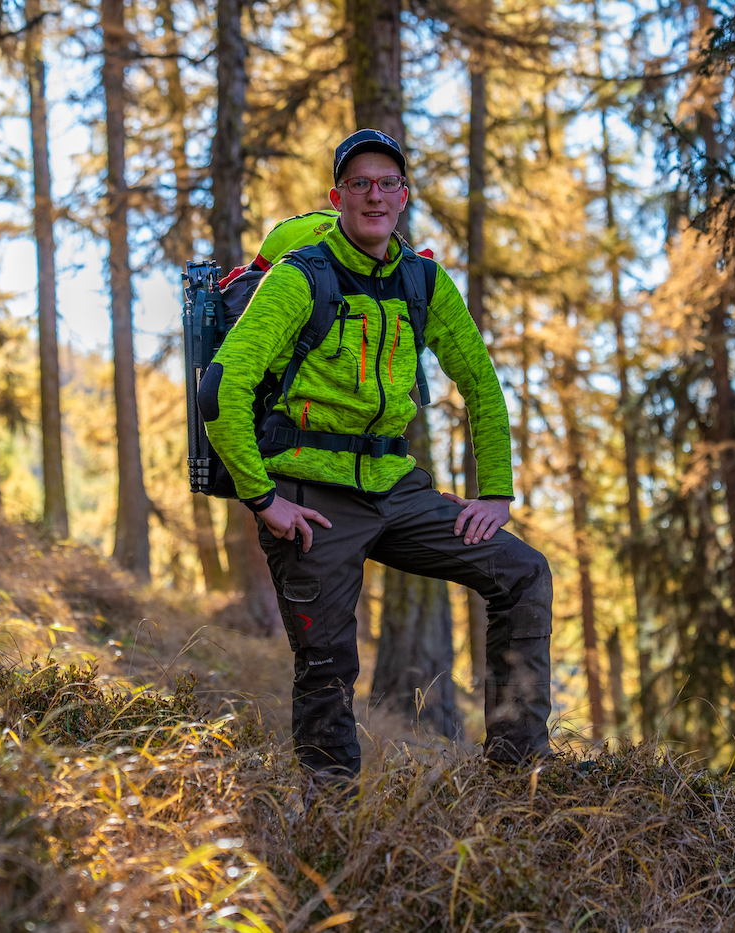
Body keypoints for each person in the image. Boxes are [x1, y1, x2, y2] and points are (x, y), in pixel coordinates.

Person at [201, 129, 554, 782]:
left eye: (387, 182)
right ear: (337, 197)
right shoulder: (298, 278)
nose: (374, 194)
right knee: (328, 664)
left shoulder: (423, 279)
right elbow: (224, 386)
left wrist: (497, 491)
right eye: (359, 183)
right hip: (308, 494)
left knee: (523, 571)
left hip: (398, 488)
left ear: (404, 197)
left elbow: (478, 379)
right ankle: (330, 823)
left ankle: (519, 774)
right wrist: (262, 497)